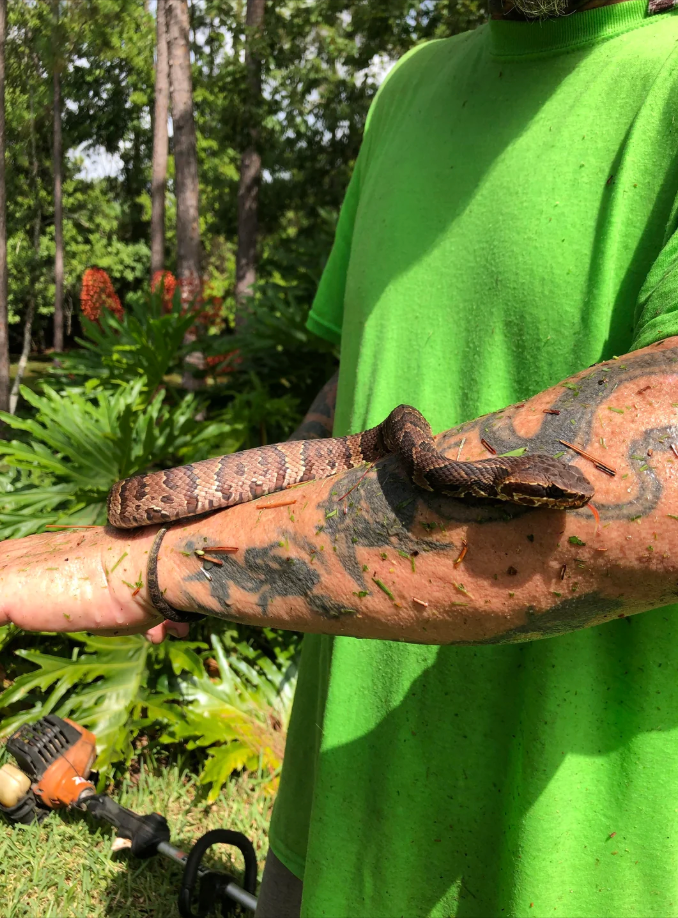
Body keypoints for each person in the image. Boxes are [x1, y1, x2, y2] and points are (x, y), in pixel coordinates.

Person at [3, 0, 678, 913]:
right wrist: (221, 509)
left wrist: (173, 564)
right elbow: (358, 385)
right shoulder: (407, 86)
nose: (559, 493)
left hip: (571, 862)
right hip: (334, 815)